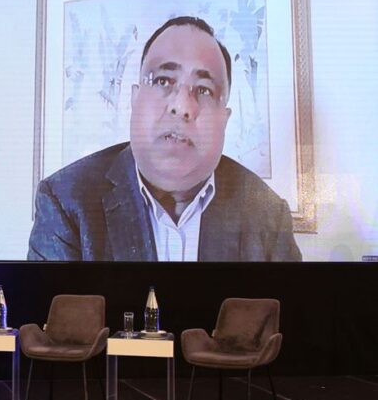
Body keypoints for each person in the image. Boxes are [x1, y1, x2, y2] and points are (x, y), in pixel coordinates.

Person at [27, 16, 302, 262]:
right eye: (163, 81)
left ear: (224, 119)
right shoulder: (67, 203)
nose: (182, 106)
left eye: (204, 90)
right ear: (135, 99)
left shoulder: (268, 216)